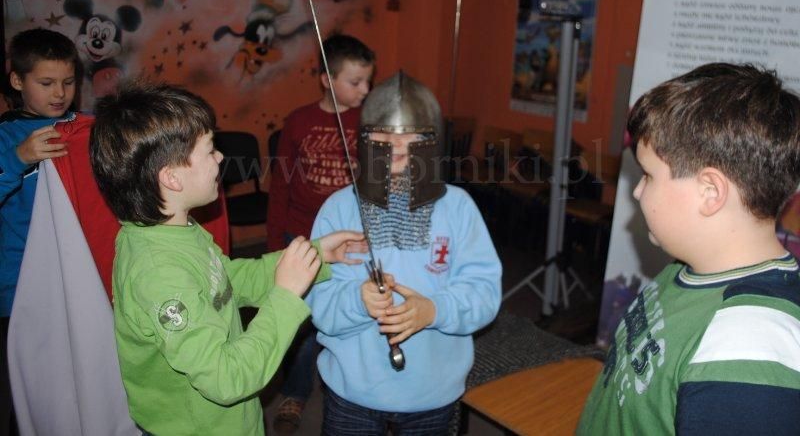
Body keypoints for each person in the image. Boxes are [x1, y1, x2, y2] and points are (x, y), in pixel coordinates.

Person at [89, 84, 364, 436]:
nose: (220, 158)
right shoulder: (159, 275)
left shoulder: (176, 230)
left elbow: (227, 280)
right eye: (209, 150)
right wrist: (285, 296)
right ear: (171, 177)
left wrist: (318, 254)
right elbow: (226, 378)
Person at [577, 63, 800, 434]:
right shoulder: (688, 268)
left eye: (648, 175)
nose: (638, 191)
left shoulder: (749, 343)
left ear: (710, 192)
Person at [307, 72, 502, 435]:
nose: (396, 142)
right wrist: (357, 300)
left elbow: (484, 293)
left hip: (431, 393)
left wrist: (435, 310)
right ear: (365, 138)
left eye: (411, 134)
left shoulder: (458, 208)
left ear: (431, 139)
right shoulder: (339, 209)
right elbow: (317, 301)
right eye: (383, 133)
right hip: (353, 391)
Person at [266, 33, 374, 433]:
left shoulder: (369, 122)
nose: (365, 90)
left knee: (349, 310)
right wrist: (275, 241)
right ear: (328, 79)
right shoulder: (299, 121)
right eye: (355, 81)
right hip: (300, 233)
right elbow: (281, 185)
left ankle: (347, 387)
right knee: (303, 322)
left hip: (351, 238)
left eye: (368, 81)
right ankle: (295, 392)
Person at [0, 28, 81, 434]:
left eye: (68, 82)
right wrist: (18, 158)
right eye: (46, 83)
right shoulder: (6, 135)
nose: (60, 93)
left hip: (76, 275)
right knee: (30, 387)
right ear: (17, 81)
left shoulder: (82, 126)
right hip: (20, 283)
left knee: (76, 375)